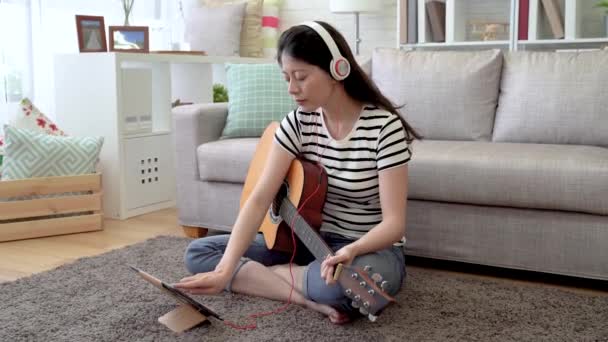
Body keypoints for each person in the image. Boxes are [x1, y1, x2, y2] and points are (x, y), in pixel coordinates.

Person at [174, 21, 421, 324]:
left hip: (368, 248)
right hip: (307, 241)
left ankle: (272, 277)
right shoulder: (299, 122)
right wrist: (225, 268)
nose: (292, 89)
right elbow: (261, 196)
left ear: (337, 70)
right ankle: (303, 295)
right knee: (199, 255)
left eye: (301, 77)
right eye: (287, 78)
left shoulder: (384, 128)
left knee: (350, 290)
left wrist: (351, 250)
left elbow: (394, 224)